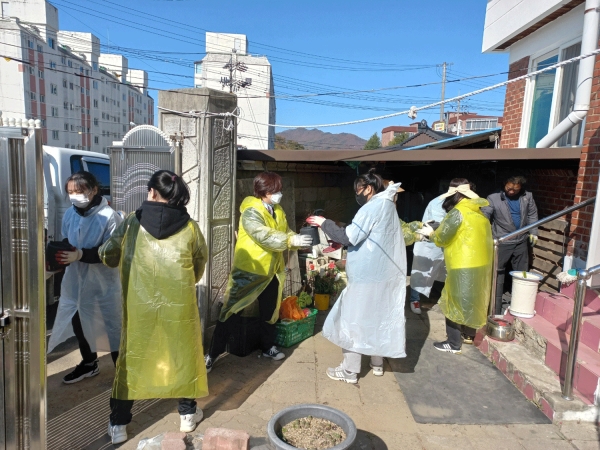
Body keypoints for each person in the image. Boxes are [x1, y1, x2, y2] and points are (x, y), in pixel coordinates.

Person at [99, 170, 208, 445]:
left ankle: (119, 424)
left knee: (131, 359)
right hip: (179, 307)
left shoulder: (130, 223)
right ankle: (187, 415)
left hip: (139, 308)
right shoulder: (191, 227)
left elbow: (108, 256)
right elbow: (198, 265)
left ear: (151, 192)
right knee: (183, 354)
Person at [205, 172, 312, 372]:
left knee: (269, 311)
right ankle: (212, 354)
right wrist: (289, 241)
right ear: (263, 191)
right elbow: (263, 235)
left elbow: (284, 231)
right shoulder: (251, 212)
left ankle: (267, 347)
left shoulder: (277, 210)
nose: (279, 194)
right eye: (275, 190)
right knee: (232, 311)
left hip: (272, 270)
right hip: (250, 270)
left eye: (279, 190)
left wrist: (296, 238)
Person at [307, 169, 407, 383]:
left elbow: (349, 236)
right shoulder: (388, 205)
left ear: (368, 188)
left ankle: (350, 371)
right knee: (377, 317)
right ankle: (377, 363)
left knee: (353, 320)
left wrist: (323, 222)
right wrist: (340, 241)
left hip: (367, 275)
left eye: (358, 190)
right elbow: (370, 236)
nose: (357, 194)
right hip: (384, 275)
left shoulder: (373, 207)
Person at [47, 171, 122, 384]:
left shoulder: (109, 216)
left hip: (104, 281)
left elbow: (113, 253)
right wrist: (61, 256)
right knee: (79, 322)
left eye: (79, 191)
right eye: (70, 192)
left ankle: (123, 371)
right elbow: (67, 238)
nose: (74, 196)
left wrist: (81, 254)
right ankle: (89, 363)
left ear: (94, 190)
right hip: (76, 280)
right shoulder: (71, 214)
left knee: (112, 324)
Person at [416, 179, 493, 354]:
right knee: (471, 302)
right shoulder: (479, 213)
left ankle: (453, 343)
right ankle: (468, 336)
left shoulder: (458, 213)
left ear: (456, 196)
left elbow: (442, 237)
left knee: (453, 303)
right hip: (480, 265)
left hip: (462, 265)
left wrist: (431, 233)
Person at [481, 176, 538, 315]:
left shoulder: (527, 197)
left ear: (521, 188)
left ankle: (520, 305)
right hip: (502, 240)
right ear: (504, 184)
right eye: (509, 188)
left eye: (515, 189)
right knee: (498, 273)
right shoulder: (493, 198)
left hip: (521, 240)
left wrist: (533, 232)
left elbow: (532, 214)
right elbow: (485, 215)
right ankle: (495, 307)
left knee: (522, 273)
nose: (511, 191)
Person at [409, 194, 447, 315]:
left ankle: (444, 300)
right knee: (420, 271)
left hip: (445, 244)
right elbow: (436, 224)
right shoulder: (438, 203)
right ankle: (414, 300)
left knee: (446, 273)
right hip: (429, 243)